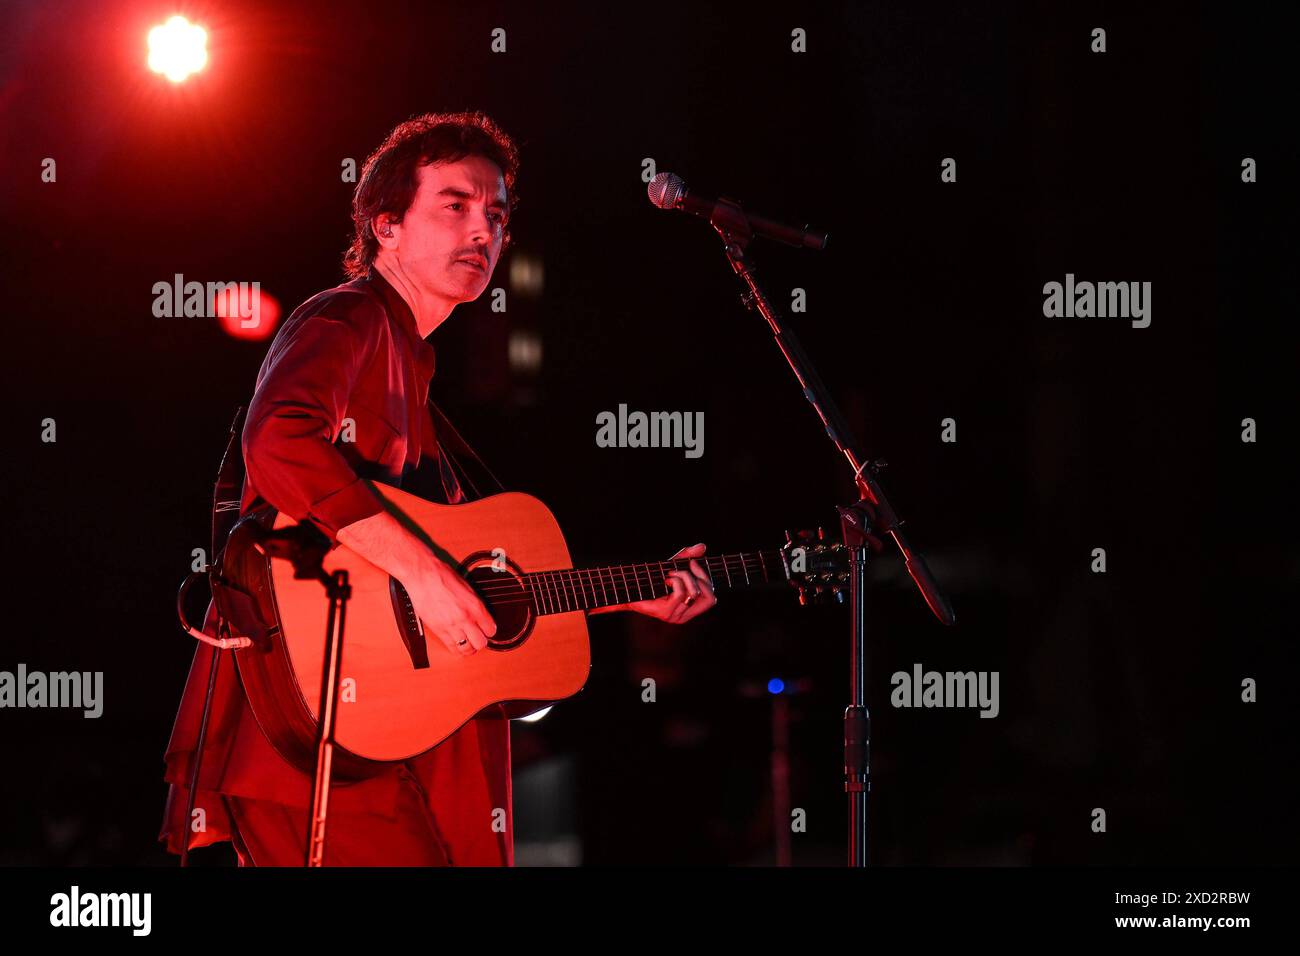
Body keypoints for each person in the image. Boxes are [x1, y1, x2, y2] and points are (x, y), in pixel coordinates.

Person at [158, 111, 717, 866]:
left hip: (386, 728)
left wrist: (626, 592)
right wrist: (424, 574)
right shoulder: (348, 316)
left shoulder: (414, 370)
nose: (483, 229)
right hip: (319, 719)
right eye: (455, 204)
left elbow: (459, 584)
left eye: (496, 213)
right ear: (385, 224)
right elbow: (279, 440)